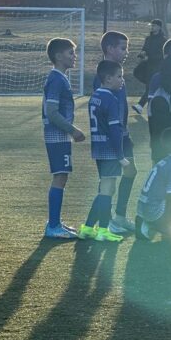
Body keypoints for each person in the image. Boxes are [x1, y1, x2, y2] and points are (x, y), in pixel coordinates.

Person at [78, 59, 131, 242]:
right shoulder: (111, 98)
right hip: (109, 149)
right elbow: (115, 130)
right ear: (108, 78)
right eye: (119, 76)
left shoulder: (95, 96)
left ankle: (87, 227)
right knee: (108, 189)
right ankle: (103, 230)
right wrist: (121, 156)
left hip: (98, 147)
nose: (122, 80)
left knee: (104, 189)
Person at [91, 30, 137, 234]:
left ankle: (118, 216)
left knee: (130, 171)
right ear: (109, 48)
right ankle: (104, 222)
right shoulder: (104, 78)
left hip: (122, 134)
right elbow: (104, 111)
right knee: (107, 182)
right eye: (122, 47)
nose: (126, 52)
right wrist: (115, 131)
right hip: (112, 137)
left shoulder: (117, 74)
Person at [41, 38, 85, 239]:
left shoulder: (60, 78)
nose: (74, 56)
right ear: (58, 56)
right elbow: (51, 111)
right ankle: (53, 226)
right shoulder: (56, 79)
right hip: (57, 135)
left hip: (60, 135)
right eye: (70, 53)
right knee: (60, 176)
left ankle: (55, 223)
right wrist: (73, 130)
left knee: (62, 175)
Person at [132, 19, 167, 114]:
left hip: (157, 67)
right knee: (149, 84)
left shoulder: (163, 40)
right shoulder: (148, 39)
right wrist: (142, 53)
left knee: (150, 86)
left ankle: (140, 105)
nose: (152, 27)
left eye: (155, 25)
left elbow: (162, 55)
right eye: (152, 25)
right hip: (147, 66)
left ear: (159, 27)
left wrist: (150, 58)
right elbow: (145, 49)